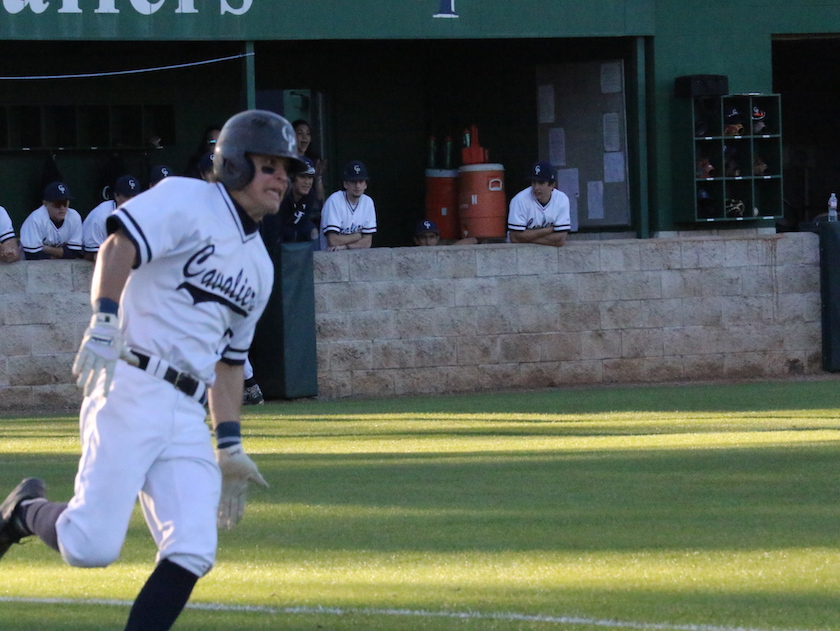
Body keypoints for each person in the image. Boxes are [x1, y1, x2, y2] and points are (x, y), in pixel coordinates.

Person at [0, 110, 306, 631]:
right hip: (131, 384)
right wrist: (103, 319)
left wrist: (229, 443)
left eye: (287, 169)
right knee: (89, 546)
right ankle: (22, 512)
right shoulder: (187, 198)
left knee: (192, 548)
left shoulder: (260, 265)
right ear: (233, 165)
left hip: (187, 413)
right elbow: (118, 245)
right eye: (269, 165)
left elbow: (230, 364)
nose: (282, 177)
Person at [507, 161, 571, 247]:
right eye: (534, 182)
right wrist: (549, 230)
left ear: (552, 185)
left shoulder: (562, 200)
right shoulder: (519, 200)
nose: (536, 187)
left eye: (541, 182)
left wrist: (526, 237)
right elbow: (515, 237)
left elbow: (559, 240)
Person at [321, 160, 376, 251]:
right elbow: (333, 241)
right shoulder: (334, 201)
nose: (357, 186)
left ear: (365, 184)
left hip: (356, 257)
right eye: (353, 181)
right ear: (345, 184)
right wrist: (358, 236)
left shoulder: (368, 202)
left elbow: (367, 242)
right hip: (329, 258)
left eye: (361, 181)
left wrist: (345, 246)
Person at [261, 158, 318, 246]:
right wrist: (297, 233)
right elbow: (272, 233)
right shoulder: (280, 196)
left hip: (291, 246)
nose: (307, 182)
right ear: (292, 177)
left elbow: (305, 225)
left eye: (310, 177)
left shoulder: (310, 195)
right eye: (302, 177)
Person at [83, 175, 141, 260]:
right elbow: (90, 254)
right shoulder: (100, 217)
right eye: (127, 196)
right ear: (116, 196)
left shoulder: (143, 214)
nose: (132, 201)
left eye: (135, 196)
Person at [20, 182, 83, 260]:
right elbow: (32, 255)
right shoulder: (35, 219)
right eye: (58, 203)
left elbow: (74, 252)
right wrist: (62, 254)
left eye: (65, 203)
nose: (62, 208)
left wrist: (46, 249)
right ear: (45, 204)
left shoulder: (74, 217)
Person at [292, 119, 326, 205]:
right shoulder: (286, 160)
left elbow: (320, 201)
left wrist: (318, 178)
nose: (305, 137)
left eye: (308, 134)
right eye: (300, 133)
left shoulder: (313, 160)